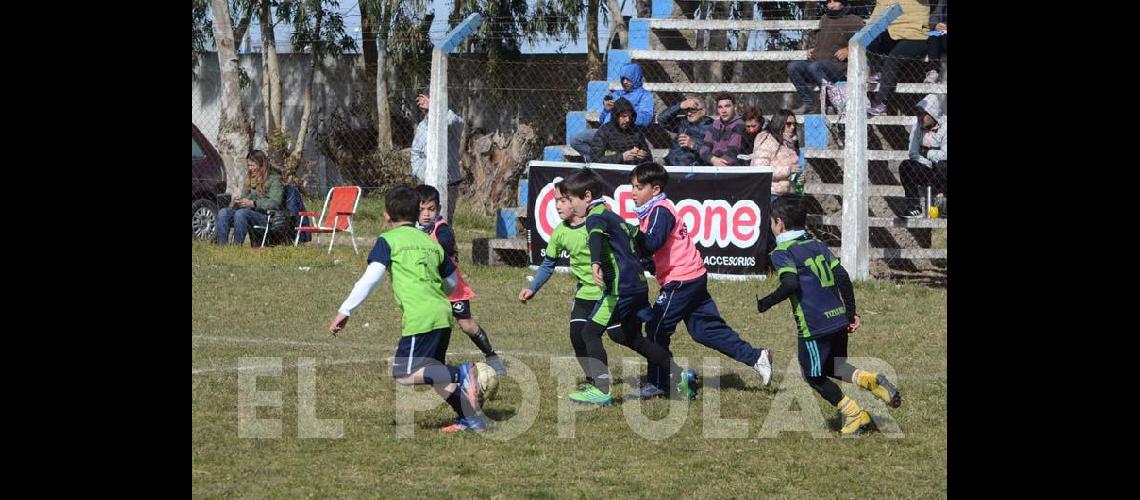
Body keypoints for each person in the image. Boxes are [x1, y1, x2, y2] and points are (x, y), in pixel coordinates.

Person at [329, 184, 486, 433]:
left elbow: (371, 278)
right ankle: (471, 418)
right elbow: (452, 281)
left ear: (386, 216)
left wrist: (345, 310)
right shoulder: (429, 242)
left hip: (420, 317)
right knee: (435, 374)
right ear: (416, 214)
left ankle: (461, 372)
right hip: (442, 314)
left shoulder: (388, 241)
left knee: (403, 373)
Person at [625, 162, 774, 399]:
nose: (633, 192)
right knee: (705, 330)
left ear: (655, 189)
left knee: (655, 329)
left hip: (681, 281)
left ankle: (660, 382)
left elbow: (652, 243)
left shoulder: (659, 211)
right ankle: (756, 357)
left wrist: (630, 236)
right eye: (632, 186)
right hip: (692, 277)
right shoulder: (653, 211)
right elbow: (654, 251)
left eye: (638, 187)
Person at [756, 196, 903, 435]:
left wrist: (766, 302)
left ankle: (854, 414)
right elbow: (842, 277)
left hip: (814, 327)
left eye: (772, 222)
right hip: (838, 319)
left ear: (779, 223)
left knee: (812, 375)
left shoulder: (782, 252)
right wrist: (850, 313)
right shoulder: (816, 244)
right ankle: (870, 380)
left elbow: (791, 283)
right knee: (835, 365)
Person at [558, 168, 698, 405]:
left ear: (588, 196)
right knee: (627, 336)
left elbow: (594, 237)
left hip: (619, 288)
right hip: (638, 286)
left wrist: (595, 262)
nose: (570, 205)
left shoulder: (596, 216)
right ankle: (681, 375)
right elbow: (638, 237)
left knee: (589, 332)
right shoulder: (615, 217)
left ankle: (601, 391)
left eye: (571, 199)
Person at [518, 181, 606, 389]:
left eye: (562, 200)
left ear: (576, 201)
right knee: (578, 336)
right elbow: (548, 264)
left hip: (609, 292)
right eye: (556, 201)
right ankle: (595, 381)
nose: (557, 206)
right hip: (585, 292)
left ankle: (661, 368)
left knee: (624, 336)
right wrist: (533, 287)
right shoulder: (560, 232)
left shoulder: (597, 223)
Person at [415, 185, 507, 375]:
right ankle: (427, 361)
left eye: (430, 209)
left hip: (452, 287)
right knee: (428, 322)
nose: (426, 214)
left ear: (438, 209)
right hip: (430, 288)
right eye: (421, 209)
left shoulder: (442, 229)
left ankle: (491, 356)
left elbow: (444, 247)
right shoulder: (413, 230)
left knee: (466, 324)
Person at [788, 0, 865, 114]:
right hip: (816, 64)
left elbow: (867, 41)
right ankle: (808, 103)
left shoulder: (854, 20)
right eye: (829, 1)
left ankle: (830, 102)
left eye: (835, 1)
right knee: (793, 66)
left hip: (838, 68)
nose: (831, 5)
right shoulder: (824, 19)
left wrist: (849, 50)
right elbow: (824, 40)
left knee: (815, 67)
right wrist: (813, 49)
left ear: (843, 2)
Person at [571, 63, 657, 162]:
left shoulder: (645, 96)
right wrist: (606, 110)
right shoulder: (616, 94)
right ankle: (598, 160)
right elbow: (602, 120)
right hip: (605, 133)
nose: (625, 82)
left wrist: (626, 111)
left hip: (626, 134)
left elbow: (646, 119)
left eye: (628, 79)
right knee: (576, 140)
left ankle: (602, 161)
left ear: (636, 77)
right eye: (623, 79)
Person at [866, 0, 931, 116]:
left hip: (916, 35)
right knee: (870, 39)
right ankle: (878, 72)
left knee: (894, 58)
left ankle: (881, 102)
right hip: (893, 34)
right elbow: (874, 19)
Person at [410, 93, 465, 223]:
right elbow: (416, 154)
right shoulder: (422, 127)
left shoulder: (450, 122)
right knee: (426, 220)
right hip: (428, 181)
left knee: (445, 220)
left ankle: (446, 242)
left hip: (450, 182)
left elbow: (458, 122)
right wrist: (422, 173)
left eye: (428, 100)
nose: (425, 104)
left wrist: (435, 107)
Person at [215, 150, 283, 245]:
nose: (250, 168)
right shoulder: (249, 178)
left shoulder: (274, 179)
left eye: (252, 165)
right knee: (224, 212)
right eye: (249, 165)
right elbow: (244, 197)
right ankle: (221, 247)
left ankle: (236, 246)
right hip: (247, 212)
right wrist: (240, 201)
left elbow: (275, 202)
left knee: (241, 213)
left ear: (261, 164)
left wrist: (253, 203)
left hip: (265, 216)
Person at [898, 94, 947, 217]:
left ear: (932, 113)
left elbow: (945, 154)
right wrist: (928, 161)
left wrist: (927, 152)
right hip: (927, 168)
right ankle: (914, 207)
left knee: (943, 164)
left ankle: (943, 205)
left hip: (943, 170)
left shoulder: (945, 126)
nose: (919, 117)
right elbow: (913, 153)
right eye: (918, 114)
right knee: (906, 166)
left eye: (922, 114)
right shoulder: (917, 127)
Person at [750, 109, 802, 200]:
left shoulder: (789, 143)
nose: (792, 127)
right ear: (779, 123)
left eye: (794, 124)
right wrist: (788, 170)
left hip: (787, 193)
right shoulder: (767, 141)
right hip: (770, 194)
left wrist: (797, 179)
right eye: (788, 124)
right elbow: (759, 170)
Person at [589, 97, 653, 165]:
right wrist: (622, 157)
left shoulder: (635, 131)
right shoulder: (604, 131)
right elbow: (595, 158)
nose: (628, 120)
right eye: (624, 116)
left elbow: (649, 158)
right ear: (616, 117)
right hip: (610, 171)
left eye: (630, 117)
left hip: (632, 171)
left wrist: (643, 156)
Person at [659, 96, 714, 167]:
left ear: (703, 112)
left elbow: (714, 151)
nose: (689, 114)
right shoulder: (683, 122)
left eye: (693, 110)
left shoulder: (712, 126)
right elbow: (662, 119)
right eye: (687, 110)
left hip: (694, 167)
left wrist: (693, 144)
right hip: (673, 163)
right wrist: (680, 105)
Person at [699, 94, 747, 166]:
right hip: (713, 164)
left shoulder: (739, 125)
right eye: (720, 107)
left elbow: (732, 153)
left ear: (735, 107)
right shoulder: (715, 124)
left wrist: (717, 163)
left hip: (731, 167)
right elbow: (704, 149)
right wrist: (713, 160)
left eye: (727, 106)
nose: (723, 111)